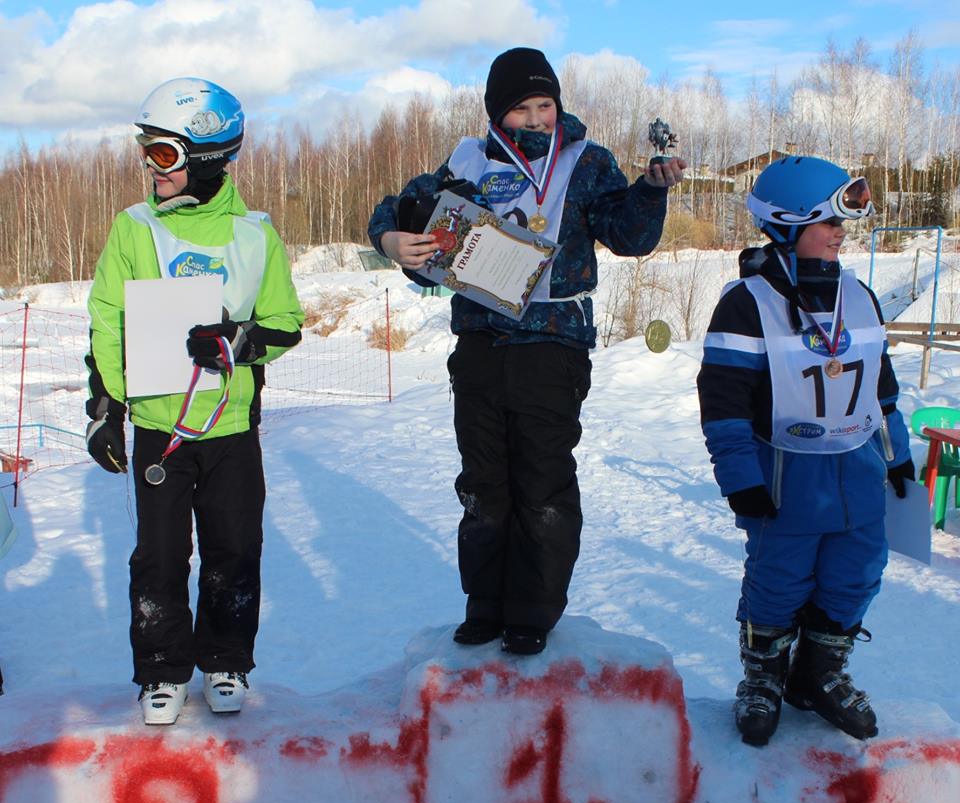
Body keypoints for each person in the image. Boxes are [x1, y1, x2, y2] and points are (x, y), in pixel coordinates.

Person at [369, 47, 685, 655]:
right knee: (483, 481)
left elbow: (629, 236)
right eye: (521, 108)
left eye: (545, 104)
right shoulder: (468, 159)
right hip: (481, 344)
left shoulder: (586, 161)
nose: (537, 118)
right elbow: (398, 206)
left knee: (541, 481)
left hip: (552, 345)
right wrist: (390, 240)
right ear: (497, 113)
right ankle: (485, 603)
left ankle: (532, 609)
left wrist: (649, 190)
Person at [85, 78, 303, 725]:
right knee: (159, 554)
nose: (151, 169)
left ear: (206, 158)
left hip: (230, 426)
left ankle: (226, 659)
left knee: (233, 548)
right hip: (162, 428)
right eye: (146, 153)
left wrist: (241, 339)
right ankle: (162, 668)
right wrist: (106, 408)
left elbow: (285, 322)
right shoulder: (134, 228)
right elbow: (108, 321)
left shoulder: (255, 235)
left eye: (164, 155)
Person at [697, 156, 915, 746]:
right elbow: (723, 402)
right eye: (829, 222)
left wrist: (897, 454)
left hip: (859, 470)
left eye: (844, 222)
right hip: (785, 474)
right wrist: (740, 478)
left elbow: (882, 389)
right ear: (788, 224)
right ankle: (764, 677)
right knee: (778, 581)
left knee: (857, 573)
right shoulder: (747, 303)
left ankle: (818, 674)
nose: (842, 232)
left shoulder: (859, 295)